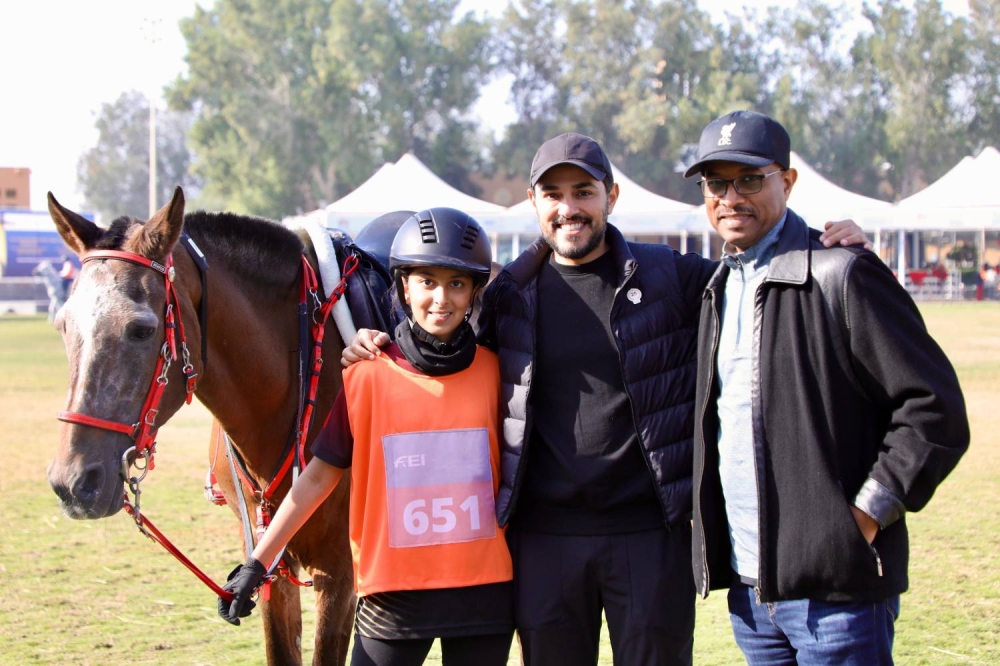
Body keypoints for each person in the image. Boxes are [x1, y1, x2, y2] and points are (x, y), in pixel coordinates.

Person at [343, 133, 869, 665]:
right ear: (534, 203)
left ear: (611, 197)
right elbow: (441, 346)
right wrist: (375, 343)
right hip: (543, 541)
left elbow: (761, 280)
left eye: (583, 192)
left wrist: (819, 247)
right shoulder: (507, 296)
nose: (568, 208)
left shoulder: (669, 275)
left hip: (649, 537)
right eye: (553, 194)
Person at [686, 110, 969, 664]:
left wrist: (862, 519)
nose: (729, 196)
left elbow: (934, 409)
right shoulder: (714, 288)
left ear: (787, 182)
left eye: (749, 179)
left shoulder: (843, 273)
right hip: (750, 591)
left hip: (838, 594)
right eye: (716, 182)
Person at [219, 208, 515, 666]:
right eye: (427, 281)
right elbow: (316, 479)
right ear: (402, 287)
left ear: (476, 292)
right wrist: (258, 562)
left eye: (457, 283)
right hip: (392, 602)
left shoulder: (498, 375)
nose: (441, 297)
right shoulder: (366, 377)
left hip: (482, 600)